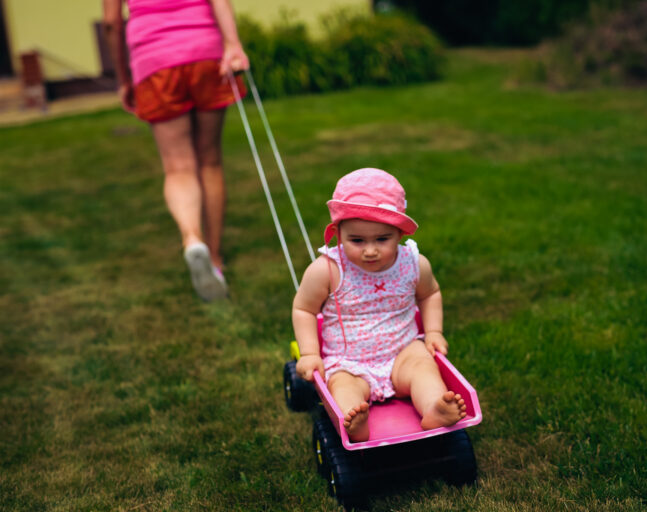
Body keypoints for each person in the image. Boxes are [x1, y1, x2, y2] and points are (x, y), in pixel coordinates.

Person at [292, 168, 467, 442]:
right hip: (349, 361)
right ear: (338, 233)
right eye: (357, 240)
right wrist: (310, 352)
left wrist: (433, 332)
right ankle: (353, 420)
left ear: (399, 233)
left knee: (423, 368)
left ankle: (434, 407)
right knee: (343, 385)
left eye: (382, 239)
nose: (370, 250)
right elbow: (304, 309)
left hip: (402, 353)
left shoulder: (413, 263)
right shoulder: (327, 270)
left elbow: (430, 294)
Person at [102, 0, 250, 301]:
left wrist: (123, 77)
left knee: (178, 167)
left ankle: (192, 238)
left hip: (153, 59)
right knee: (209, 161)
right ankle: (216, 261)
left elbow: (111, 23)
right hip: (206, 52)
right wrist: (232, 42)